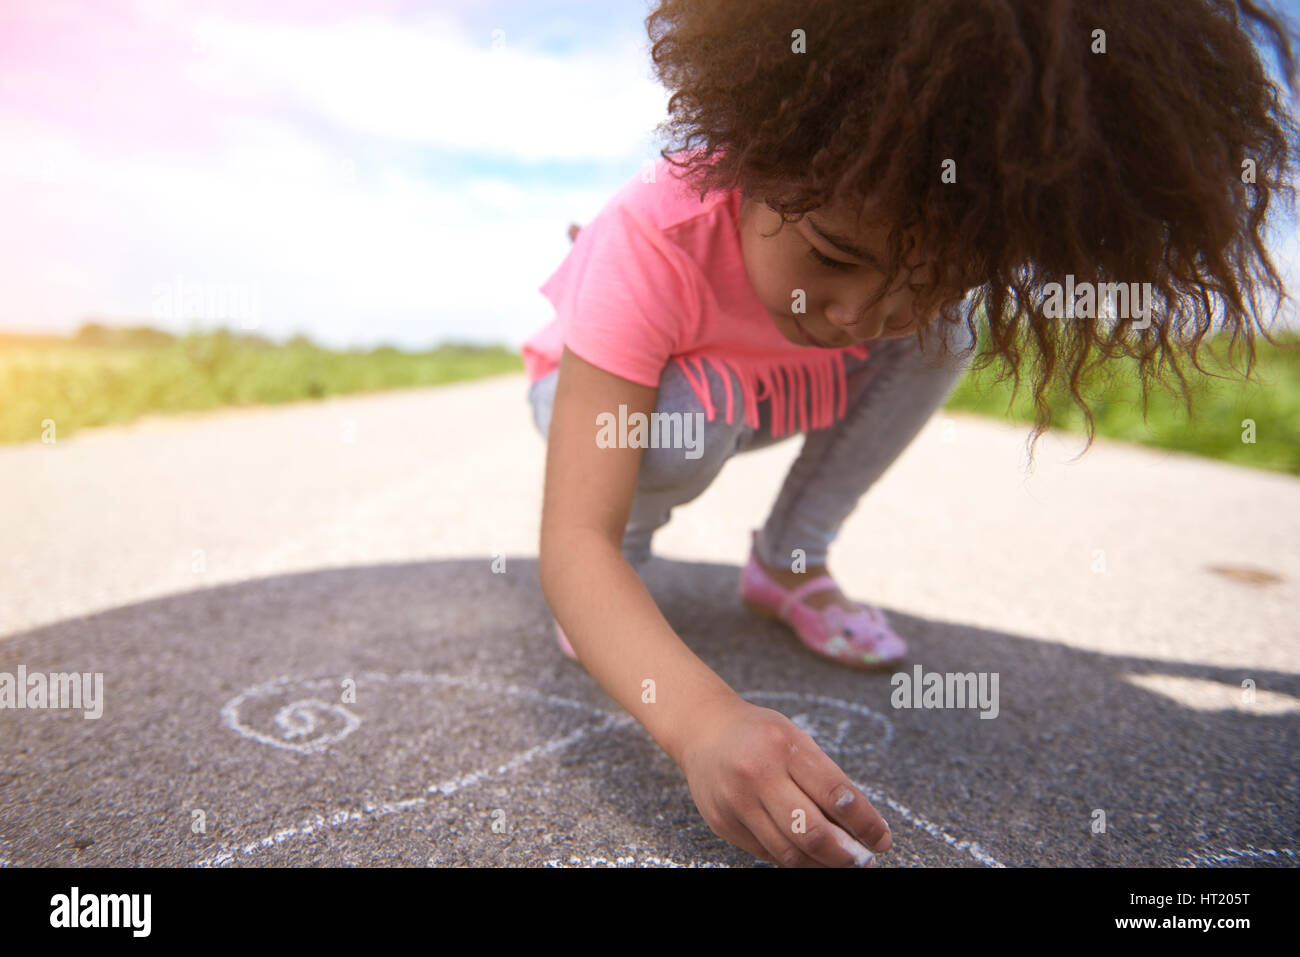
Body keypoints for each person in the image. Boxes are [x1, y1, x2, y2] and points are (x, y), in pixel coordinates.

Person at [520, 0, 1298, 868]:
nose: (859, 315)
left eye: (926, 277)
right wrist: (701, 720)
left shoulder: (884, 294)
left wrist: (917, 296)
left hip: (765, 385)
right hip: (613, 402)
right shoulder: (652, 235)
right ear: (751, 155)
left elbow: (898, 298)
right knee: (679, 429)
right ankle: (627, 580)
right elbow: (572, 542)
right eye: (831, 255)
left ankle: (790, 564)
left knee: (946, 332)